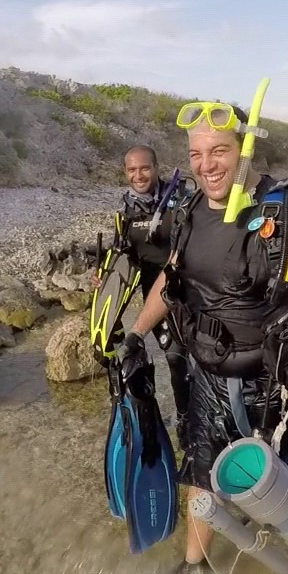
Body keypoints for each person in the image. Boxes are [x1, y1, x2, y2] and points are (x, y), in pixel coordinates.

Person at [116, 103, 288, 574]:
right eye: (196, 153)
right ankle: (196, 569)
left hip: (278, 381)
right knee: (198, 464)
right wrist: (135, 333)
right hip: (208, 375)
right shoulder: (191, 210)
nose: (206, 164)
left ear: (244, 148)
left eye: (219, 150)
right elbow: (170, 281)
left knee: (287, 483)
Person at [95, 145, 191, 435]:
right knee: (175, 360)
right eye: (132, 169)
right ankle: (185, 420)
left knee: (206, 359)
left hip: (194, 292)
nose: (138, 175)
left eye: (144, 168)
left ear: (156, 167)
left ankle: (213, 413)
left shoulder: (184, 200)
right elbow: (122, 257)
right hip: (155, 297)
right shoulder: (125, 213)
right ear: (125, 172)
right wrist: (104, 280)